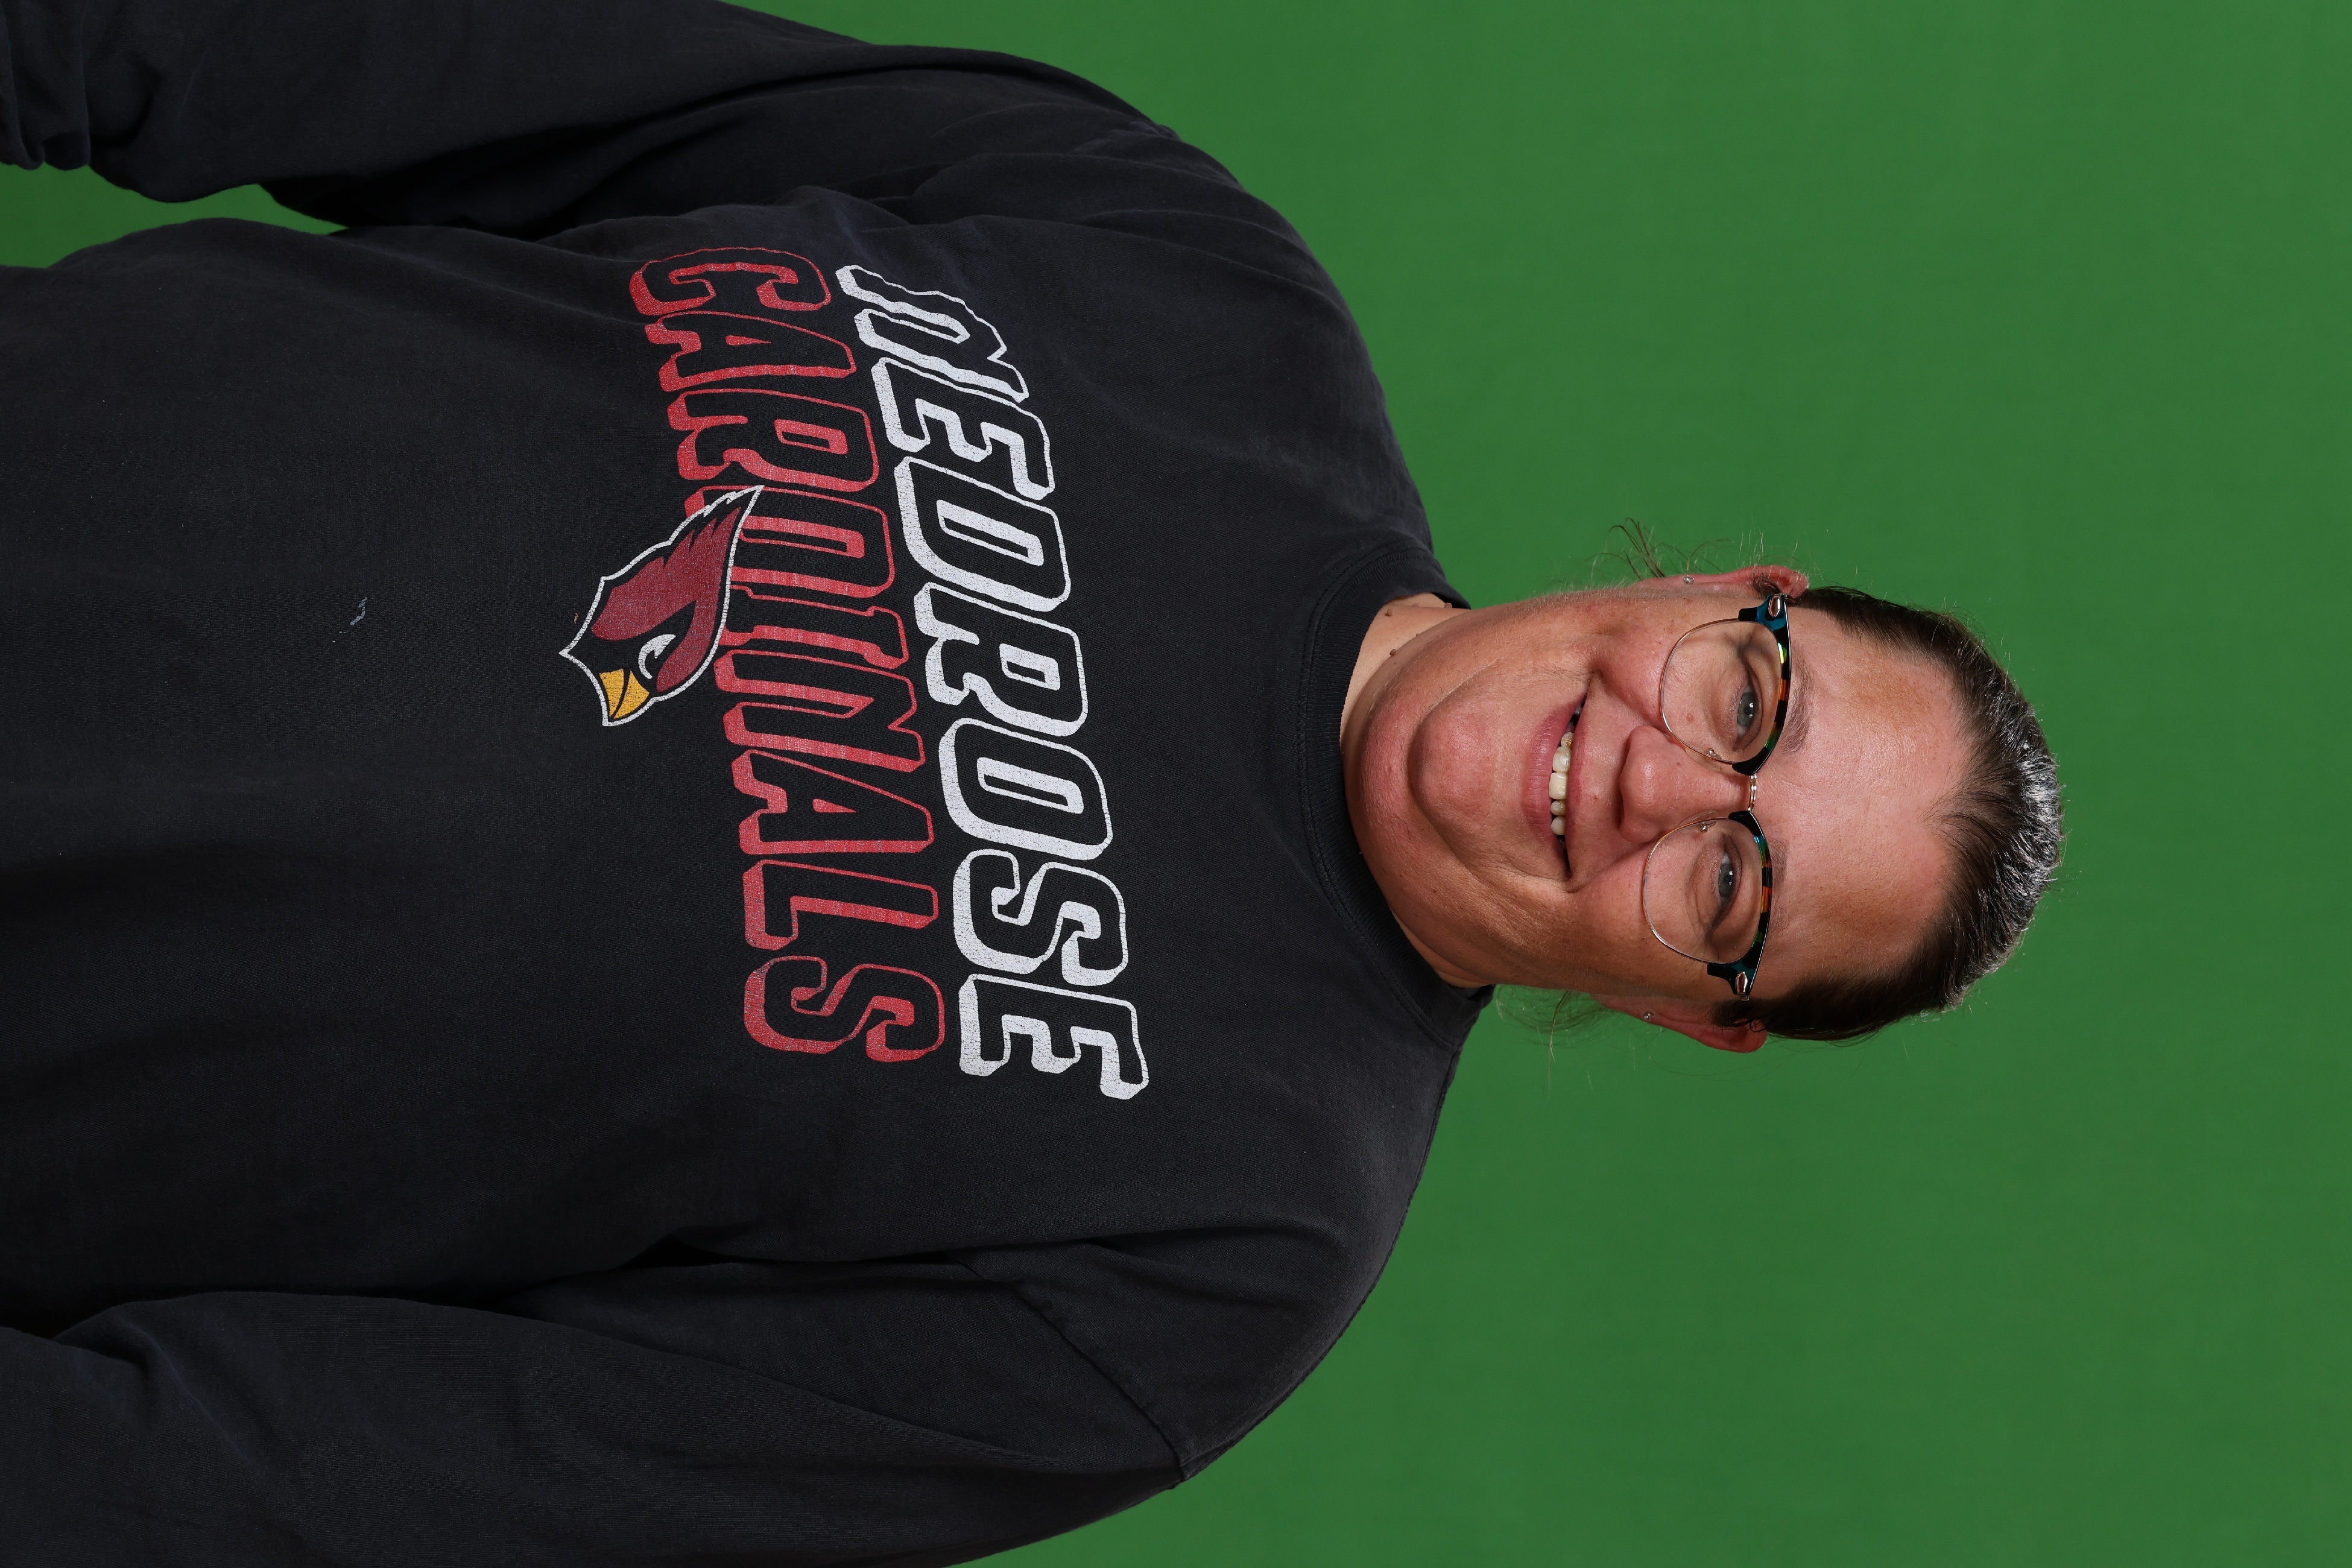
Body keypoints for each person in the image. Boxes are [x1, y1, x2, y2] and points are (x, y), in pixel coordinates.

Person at [0, 0, 2061, 1561]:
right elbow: (343, 39)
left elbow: (283, 1485)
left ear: (1696, 1013)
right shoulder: (1183, 275)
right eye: (1746, 704)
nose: (1653, 782)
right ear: (1726, 589)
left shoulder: (1200, 1273)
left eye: (1730, 883)